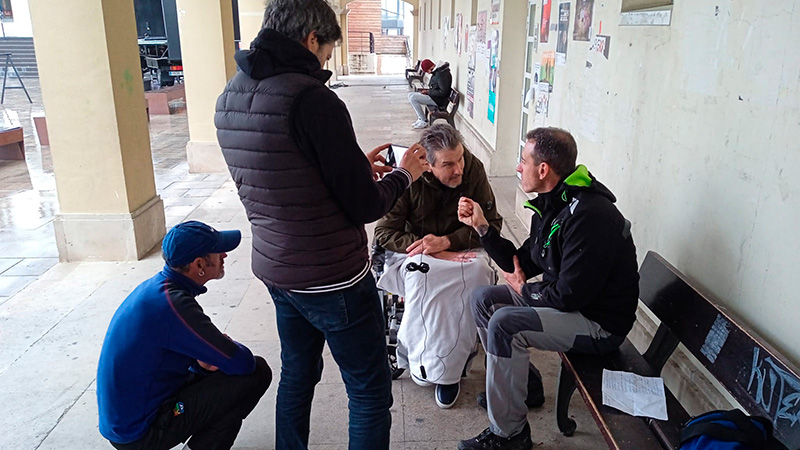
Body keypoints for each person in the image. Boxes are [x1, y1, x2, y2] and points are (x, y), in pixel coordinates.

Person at [214, 1, 429, 449]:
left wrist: (352, 164)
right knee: (369, 390)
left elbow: (279, 176)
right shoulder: (312, 100)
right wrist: (404, 173)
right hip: (332, 278)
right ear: (312, 39)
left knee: (297, 374)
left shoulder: (230, 96)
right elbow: (366, 205)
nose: (326, 63)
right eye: (328, 52)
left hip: (277, 269)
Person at [456, 128, 640, 450]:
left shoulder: (590, 216)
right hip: (572, 304)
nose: (517, 167)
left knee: (506, 325)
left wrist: (526, 293)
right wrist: (483, 228)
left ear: (543, 170)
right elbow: (525, 263)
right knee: (483, 299)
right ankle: (523, 385)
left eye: (522, 160)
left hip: (597, 324)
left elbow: (569, 296)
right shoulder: (553, 204)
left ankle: (509, 435)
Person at [96, 221, 272, 450]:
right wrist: (226, 346)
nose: (225, 255)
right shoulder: (173, 305)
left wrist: (202, 363)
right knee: (257, 372)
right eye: (219, 251)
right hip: (140, 432)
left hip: (128, 419)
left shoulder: (157, 289)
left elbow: (176, 356)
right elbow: (242, 363)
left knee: (221, 376)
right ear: (199, 264)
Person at [373, 124, 502, 409]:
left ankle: (448, 372)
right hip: (417, 253)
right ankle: (414, 356)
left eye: (460, 159)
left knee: (479, 274)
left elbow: (491, 225)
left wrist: (447, 241)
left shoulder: (473, 170)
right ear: (428, 166)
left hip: (460, 250)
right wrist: (425, 246)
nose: (458, 169)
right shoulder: (408, 176)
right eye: (448, 164)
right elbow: (384, 233)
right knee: (421, 276)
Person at [407, 60, 452, 129]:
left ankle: (423, 120)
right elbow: (436, 88)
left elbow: (443, 92)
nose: (428, 72)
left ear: (431, 67)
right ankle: (420, 118)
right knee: (410, 95)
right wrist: (428, 91)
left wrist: (429, 92)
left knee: (413, 98)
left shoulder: (441, 74)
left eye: (427, 71)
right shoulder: (438, 72)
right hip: (434, 97)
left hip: (438, 100)